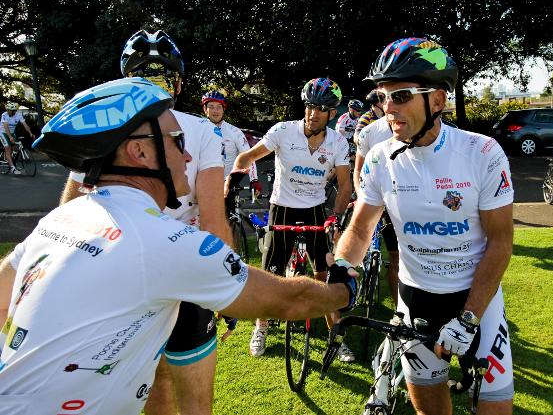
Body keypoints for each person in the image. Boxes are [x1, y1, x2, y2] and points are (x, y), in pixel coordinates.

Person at [0, 77, 357, 415]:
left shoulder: (59, 220)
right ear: (139, 152)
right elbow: (289, 299)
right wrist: (343, 289)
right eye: (178, 141)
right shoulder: (170, 244)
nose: (189, 157)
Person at [334, 38, 514, 414]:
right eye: (381, 97)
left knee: (495, 408)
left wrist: (468, 318)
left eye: (400, 95)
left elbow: (499, 243)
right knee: (429, 410)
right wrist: (341, 269)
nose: (388, 108)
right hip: (416, 299)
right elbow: (362, 226)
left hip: (476, 302)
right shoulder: (380, 158)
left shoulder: (482, 152)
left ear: (437, 100)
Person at [58, 30, 230, 415]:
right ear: (179, 84)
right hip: (182, 268)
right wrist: (224, 287)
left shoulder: (101, 121)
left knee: (146, 387)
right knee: (194, 397)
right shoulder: (201, 130)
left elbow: (71, 209)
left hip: (115, 273)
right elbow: (214, 221)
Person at [229, 77, 354, 361]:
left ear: (332, 113)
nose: (313, 113)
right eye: (309, 106)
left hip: (315, 210)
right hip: (282, 208)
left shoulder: (337, 142)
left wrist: (335, 216)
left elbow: (345, 184)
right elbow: (246, 157)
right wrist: (233, 180)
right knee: (271, 274)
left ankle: (336, 336)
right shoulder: (283, 131)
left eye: (321, 109)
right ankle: (261, 327)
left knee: (324, 275)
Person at [353, 116, 399, 304]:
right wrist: (362, 197)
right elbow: (357, 170)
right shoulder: (369, 131)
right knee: (396, 260)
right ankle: (400, 313)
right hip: (382, 202)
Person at [201, 90, 262, 197]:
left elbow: (248, 156)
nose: (215, 110)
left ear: (224, 109)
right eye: (211, 106)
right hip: (203, 181)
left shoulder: (234, 132)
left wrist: (254, 180)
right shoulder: (198, 130)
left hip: (227, 184)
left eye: (219, 107)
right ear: (205, 109)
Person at [1, 102, 35, 175]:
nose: (7, 111)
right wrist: (10, 137)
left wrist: (30, 133)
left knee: (15, 148)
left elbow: (25, 124)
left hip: (12, 133)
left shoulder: (18, 115)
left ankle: (11, 161)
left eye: (9, 110)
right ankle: (13, 168)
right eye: (7, 109)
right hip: (3, 132)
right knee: (8, 149)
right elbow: (6, 127)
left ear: (14, 111)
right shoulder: (4, 115)